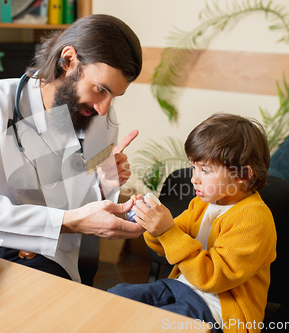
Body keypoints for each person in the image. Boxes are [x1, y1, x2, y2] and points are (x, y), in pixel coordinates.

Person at [0, 14, 145, 283]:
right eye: (100, 89)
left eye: (114, 96)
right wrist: (54, 224)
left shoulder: (99, 120)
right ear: (68, 61)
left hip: (46, 256)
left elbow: (82, 208)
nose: (103, 108)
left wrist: (104, 182)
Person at [108, 113, 277, 333]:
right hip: (182, 287)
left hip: (219, 311)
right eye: (194, 167)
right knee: (117, 297)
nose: (194, 178)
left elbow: (213, 278)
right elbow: (163, 245)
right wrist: (151, 224)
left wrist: (167, 231)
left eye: (205, 170)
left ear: (243, 175)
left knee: (154, 325)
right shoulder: (202, 202)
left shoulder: (254, 220)